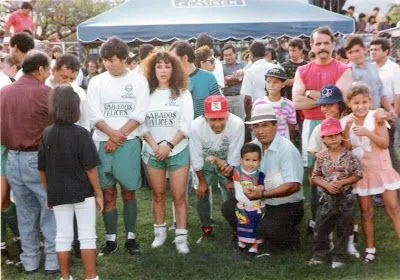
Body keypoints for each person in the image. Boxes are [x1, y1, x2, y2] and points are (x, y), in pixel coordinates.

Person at [86, 36, 150, 256]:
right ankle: (110, 240)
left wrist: (117, 137)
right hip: (103, 144)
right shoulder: (96, 82)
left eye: (112, 60)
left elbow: (139, 114)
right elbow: (94, 115)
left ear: (124, 59)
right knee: (108, 192)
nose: (108, 64)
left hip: (128, 144)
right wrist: (111, 136)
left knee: (129, 192)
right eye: (105, 60)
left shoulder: (139, 81)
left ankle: (131, 238)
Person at [0, 50, 59, 274]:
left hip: (12, 158)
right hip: (37, 157)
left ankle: (30, 260)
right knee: (49, 209)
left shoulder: (4, 92)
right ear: (41, 69)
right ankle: (52, 261)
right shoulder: (46, 92)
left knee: (25, 212)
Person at [38, 86, 103, 280]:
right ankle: (91, 277)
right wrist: (98, 192)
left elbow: (42, 168)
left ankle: (65, 277)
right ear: (75, 108)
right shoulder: (82, 134)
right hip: (83, 192)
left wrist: (48, 192)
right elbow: (90, 168)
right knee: (87, 235)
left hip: (57, 193)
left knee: (62, 236)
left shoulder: (46, 133)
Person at [292, 26, 352, 235]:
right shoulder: (303, 70)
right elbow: (296, 102)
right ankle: (317, 219)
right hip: (312, 126)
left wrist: (310, 93)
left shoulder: (344, 69)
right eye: (318, 43)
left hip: (337, 126)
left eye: (326, 43)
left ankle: (341, 220)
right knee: (316, 175)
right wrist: (326, 98)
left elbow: (341, 101)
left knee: (341, 172)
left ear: (333, 45)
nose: (323, 47)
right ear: (312, 46)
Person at [222, 101, 304, 252]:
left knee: (268, 229)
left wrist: (263, 194)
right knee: (229, 208)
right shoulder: (253, 146)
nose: (260, 131)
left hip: (286, 204)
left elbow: (294, 186)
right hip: (259, 201)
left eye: (265, 125)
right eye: (256, 126)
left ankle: (291, 237)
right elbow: (243, 175)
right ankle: (244, 234)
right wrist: (229, 176)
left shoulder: (287, 149)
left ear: (275, 125)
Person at [140, 51, 193, 254]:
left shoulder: (183, 93)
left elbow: (186, 125)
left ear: (174, 69)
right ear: (153, 69)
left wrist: (168, 146)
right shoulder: (146, 93)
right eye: (159, 66)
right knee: (158, 194)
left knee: (179, 196)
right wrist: (155, 147)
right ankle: (160, 233)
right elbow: (141, 124)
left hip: (177, 150)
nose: (163, 70)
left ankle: (181, 237)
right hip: (152, 151)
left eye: (167, 66)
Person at [343, 83, 400, 263]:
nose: (361, 106)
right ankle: (370, 249)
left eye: (365, 102)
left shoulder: (377, 116)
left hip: (382, 170)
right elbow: (345, 147)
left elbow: (384, 143)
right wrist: (346, 130)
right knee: (366, 212)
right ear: (349, 104)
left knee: (393, 208)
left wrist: (368, 133)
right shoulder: (346, 121)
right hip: (363, 173)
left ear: (370, 102)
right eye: (356, 103)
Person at [308, 118, 362, 269]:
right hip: (326, 198)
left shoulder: (350, 156)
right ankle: (320, 255)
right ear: (323, 138)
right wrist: (326, 184)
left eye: (336, 135)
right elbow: (314, 177)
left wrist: (343, 182)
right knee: (321, 227)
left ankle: (340, 256)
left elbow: (357, 174)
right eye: (328, 136)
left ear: (341, 135)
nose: (333, 138)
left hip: (345, 198)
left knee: (343, 227)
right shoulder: (321, 157)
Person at [189, 95, 244, 239]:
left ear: (228, 115)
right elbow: (195, 155)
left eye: (221, 118)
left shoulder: (237, 124)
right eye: (213, 119)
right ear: (205, 117)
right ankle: (206, 226)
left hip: (227, 161)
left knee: (234, 190)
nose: (217, 124)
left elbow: (235, 154)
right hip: (204, 161)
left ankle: (237, 226)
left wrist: (231, 179)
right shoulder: (195, 126)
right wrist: (201, 181)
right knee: (202, 192)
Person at [208, 143, 265, 255]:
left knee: (255, 225)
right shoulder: (237, 172)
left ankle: (255, 243)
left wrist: (259, 189)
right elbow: (226, 167)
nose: (250, 163)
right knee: (242, 223)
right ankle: (243, 239)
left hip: (255, 206)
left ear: (259, 161)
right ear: (241, 160)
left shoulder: (260, 175)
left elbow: (262, 186)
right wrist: (215, 160)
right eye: (247, 159)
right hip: (241, 205)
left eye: (254, 160)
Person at [370, 38, 400, 172]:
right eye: (371, 49)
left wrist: (393, 115)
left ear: (386, 51)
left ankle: (395, 180)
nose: (372, 52)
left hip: (390, 110)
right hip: (372, 111)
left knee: (388, 147)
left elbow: (398, 93)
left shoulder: (394, 68)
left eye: (376, 49)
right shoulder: (369, 68)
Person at [344, 35, 393, 114]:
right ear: (347, 55)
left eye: (357, 51)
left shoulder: (372, 67)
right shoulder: (347, 71)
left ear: (365, 50)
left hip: (376, 113)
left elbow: (380, 93)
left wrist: (391, 110)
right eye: (350, 52)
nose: (355, 55)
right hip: (359, 115)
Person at [170, 40, 220, 119]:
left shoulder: (209, 78)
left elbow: (217, 107)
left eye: (174, 59)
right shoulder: (173, 81)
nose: (171, 62)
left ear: (185, 58)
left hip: (204, 128)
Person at [46, 53, 90, 131]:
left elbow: (85, 122)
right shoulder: (43, 88)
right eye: (64, 77)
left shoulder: (79, 93)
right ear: (53, 71)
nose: (68, 82)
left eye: (72, 79)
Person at [253, 68, 296, 141]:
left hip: (281, 143)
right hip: (263, 142)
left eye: (275, 82)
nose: (271, 85)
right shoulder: (258, 103)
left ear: (283, 84)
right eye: (268, 81)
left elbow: (291, 126)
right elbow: (255, 125)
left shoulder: (288, 104)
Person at [221, 44, 245, 120]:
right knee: (226, 123)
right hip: (225, 98)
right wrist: (237, 78)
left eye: (230, 54)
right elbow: (222, 82)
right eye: (225, 55)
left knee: (240, 122)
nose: (228, 57)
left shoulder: (242, 65)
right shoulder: (220, 67)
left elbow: (244, 79)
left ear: (235, 54)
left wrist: (228, 80)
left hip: (239, 98)